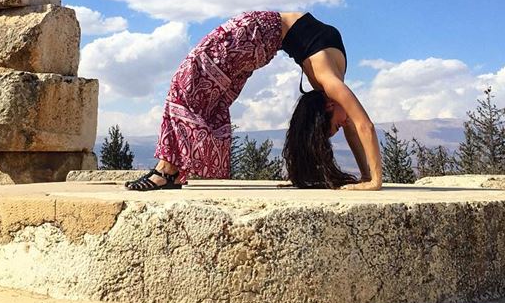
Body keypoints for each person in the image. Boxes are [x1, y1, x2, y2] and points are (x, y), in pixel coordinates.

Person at [126, 11, 383, 191]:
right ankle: (167, 169)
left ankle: (170, 169)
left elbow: (354, 130)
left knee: (209, 96)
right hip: (258, 30)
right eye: (336, 126)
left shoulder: (330, 91)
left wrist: (366, 175)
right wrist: (376, 181)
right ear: (327, 108)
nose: (344, 122)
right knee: (186, 82)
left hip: (262, 40)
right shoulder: (331, 84)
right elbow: (365, 127)